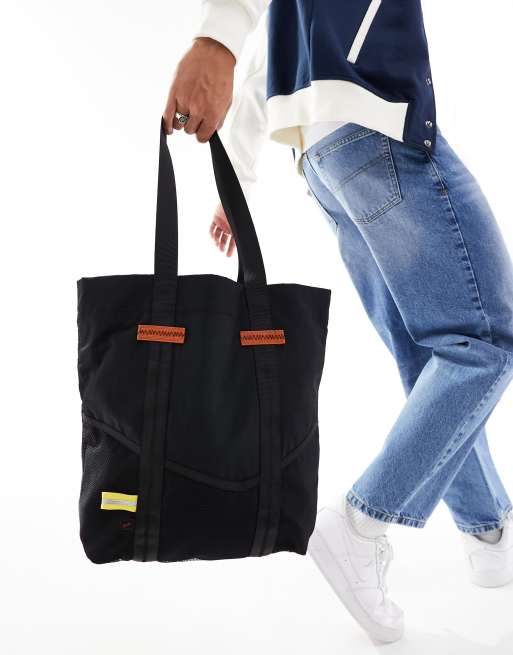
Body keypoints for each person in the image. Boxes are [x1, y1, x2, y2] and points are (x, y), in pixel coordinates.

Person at [163, 1, 513, 643]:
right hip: (375, 117)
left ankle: (487, 530)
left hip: (324, 154)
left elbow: (268, 45)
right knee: (485, 340)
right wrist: (216, 39)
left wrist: (240, 174)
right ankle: (359, 526)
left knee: (431, 350)